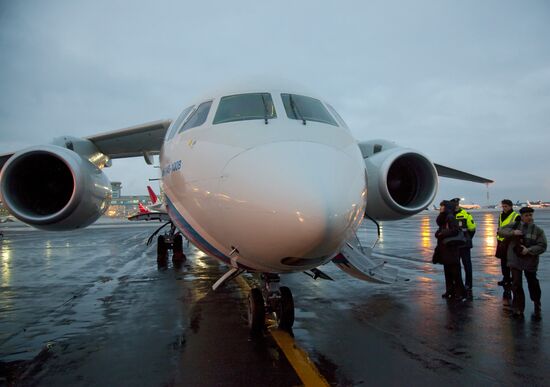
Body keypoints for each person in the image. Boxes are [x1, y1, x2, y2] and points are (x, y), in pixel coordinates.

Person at [498, 207, 547, 318]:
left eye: (531, 215)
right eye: (526, 215)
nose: (529, 217)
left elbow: (543, 246)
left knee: (533, 282)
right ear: (522, 217)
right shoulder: (514, 226)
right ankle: (518, 308)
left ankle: (536, 301)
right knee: (516, 284)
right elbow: (500, 230)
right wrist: (513, 232)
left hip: (530, 261)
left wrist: (528, 250)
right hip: (515, 260)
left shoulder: (537, 230)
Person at [433, 200, 466, 301]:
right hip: (444, 248)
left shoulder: (450, 217)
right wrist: (439, 233)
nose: (441, 207)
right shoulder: (443, 218)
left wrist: (442, 233)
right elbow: (441, 230)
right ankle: (450, 291)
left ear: (446, 207)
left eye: (442, 206)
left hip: (451, 249)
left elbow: (455, 230)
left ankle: (460, 292)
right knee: (447, 272)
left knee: (455, 272)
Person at [450, 198, 476, 300]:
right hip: (455, 245)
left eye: (455, 205)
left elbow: (472, 229)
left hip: (464, 244)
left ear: (457, 205)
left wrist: (466, 238)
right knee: (456, 266)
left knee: (467, 265)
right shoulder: (450, 216)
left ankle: (468, 284)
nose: (455, 206)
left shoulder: (466, 214)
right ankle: (458, 284)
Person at [495, 199, 520, 299]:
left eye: (506, 206)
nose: (504, 208)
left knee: (511, 261)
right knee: (503, 261)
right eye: (503, 206)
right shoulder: (501, 215)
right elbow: (500, 226)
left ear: (510, 206)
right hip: (501, 241)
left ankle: (513, 279)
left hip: (510, 241)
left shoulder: (515, 216)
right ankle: (505, 278)